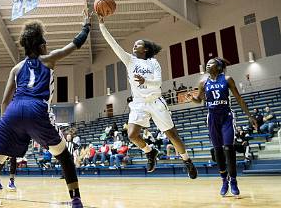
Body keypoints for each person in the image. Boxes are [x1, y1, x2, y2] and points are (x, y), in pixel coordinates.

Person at [0, 10, 91, 208]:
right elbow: (76, 43)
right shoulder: (49, 59)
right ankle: (76, 200)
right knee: (64, 155)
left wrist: (8, 126)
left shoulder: (16, 68)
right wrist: (86, 25)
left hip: (13, 112)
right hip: (37, 108)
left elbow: (4, 102)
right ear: (42, 46)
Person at [99, 17, 197, 178]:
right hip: (139, 103)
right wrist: (102, 25)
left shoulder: (153, 63)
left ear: (145, 49)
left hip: (155, 101)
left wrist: (146, 81)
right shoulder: (129, 60)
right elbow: (113, 44)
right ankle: (150, 152)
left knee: (172, 135)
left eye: (137, 44)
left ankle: (187, 161)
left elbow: (158, 82)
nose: (134, 46)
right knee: (131, 135)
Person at [187, 57, 257, 197]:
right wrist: (192, 98)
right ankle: (224, 180)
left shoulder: (227, 79)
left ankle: (234, 181)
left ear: (218, 67)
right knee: (218, 150)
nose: (208, 64)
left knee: (228, 148)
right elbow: (199, 100)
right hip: (212, 118)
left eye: (211, 63)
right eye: (207, 63)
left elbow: (239, 99)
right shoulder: (203, 82)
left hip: (226, 117)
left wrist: (250, 116)